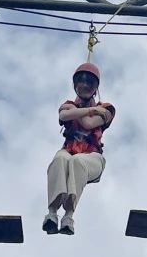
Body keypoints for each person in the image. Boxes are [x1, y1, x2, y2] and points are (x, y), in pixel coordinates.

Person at [44, 62, 115, 236]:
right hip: (69, 150)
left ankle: (69, 215)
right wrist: (91, 109)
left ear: (95, 87)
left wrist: (76, 111)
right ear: (75, 85)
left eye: (89, 82)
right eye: (81, 81)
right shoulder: (77, 105)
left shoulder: (107, 108)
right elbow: (63, 115)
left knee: (77, 161)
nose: (84, 85)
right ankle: (52, 212)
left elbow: (88, 123)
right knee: (60, 159)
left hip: (92, 156)